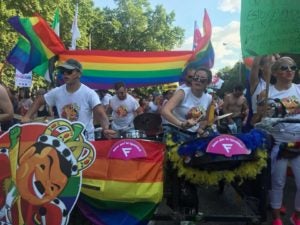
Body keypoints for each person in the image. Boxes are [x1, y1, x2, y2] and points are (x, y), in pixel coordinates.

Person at [21, 58, 115, 140]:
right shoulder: (57, 92)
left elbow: (101, 114)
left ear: (78, 74)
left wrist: (106, 128)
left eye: (69, 72)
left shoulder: (89, 93)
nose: (65, 74)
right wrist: (27, 116)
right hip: (64, 139)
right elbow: (39, 100)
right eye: (63, 72)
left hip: (85, 140)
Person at [257, 57, 300, 225]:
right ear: (274, 72)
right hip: (279, 144)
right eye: (284, 67)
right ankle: (276, 217)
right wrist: (264, 112)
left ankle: (296, 215)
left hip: (299, 143)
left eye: (293, 67)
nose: (290, 70)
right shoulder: (266, 92)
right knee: (278, 182)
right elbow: (260, 117)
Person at [161, 67, 213, 142]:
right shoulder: (183, 92)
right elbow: (165, 111)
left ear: (208, 83)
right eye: (196, 78)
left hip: (192, 137)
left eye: (202, 79)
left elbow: (204, 120)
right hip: (174, 133)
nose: (198, 80)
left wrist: (201, 129)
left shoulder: (209, 98)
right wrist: (181, 124)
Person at [249, 55, 278, 125]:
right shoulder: (257, 83)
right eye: (271, 64)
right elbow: (255, 65)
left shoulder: (278, 86)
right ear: (261, 67)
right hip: (259, 124)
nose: (274, 66)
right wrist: (262, 49)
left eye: (275, 64)